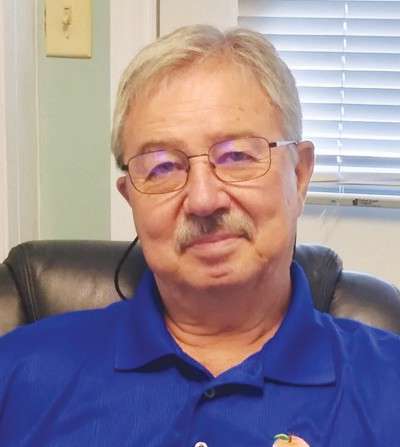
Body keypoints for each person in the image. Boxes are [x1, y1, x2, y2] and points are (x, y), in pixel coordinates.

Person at [0, 25, 399, 447]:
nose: (204, 200)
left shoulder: (388, 388)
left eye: (237, 156)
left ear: (299, 176)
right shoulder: (19, 376)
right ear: (131, 197)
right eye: (163, 167)